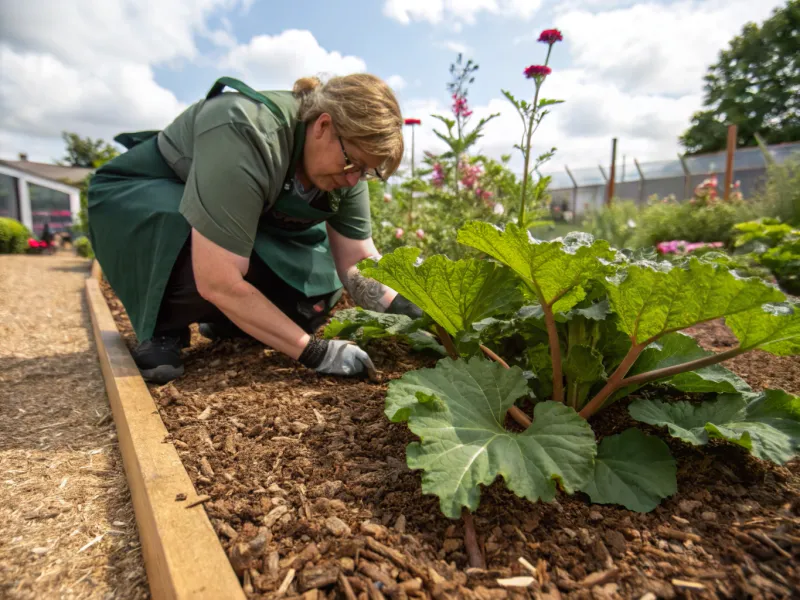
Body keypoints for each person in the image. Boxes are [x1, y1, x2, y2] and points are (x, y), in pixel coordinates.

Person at [88, 74, 421, 384]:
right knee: (188, 245)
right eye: (352, 164)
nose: (352, 179)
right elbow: (219, 279)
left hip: (236, 226)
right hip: (143, 202)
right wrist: (315, 353)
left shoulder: (349, 160)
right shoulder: (247, 130)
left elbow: (356, 259)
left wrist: (417, 310)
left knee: (314, 295)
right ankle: (164, 327)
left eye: (364, 172)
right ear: (323, 126)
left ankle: (226, 322)